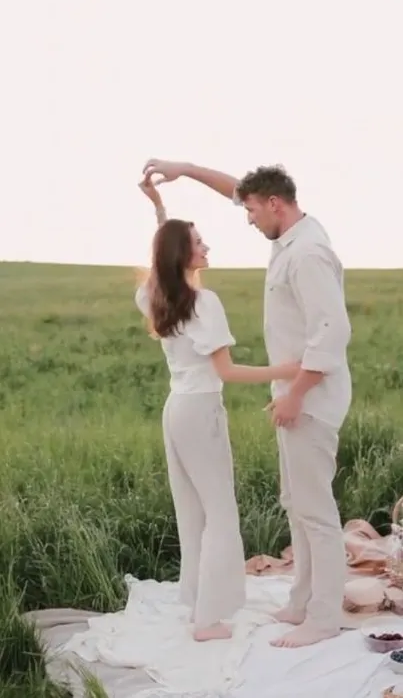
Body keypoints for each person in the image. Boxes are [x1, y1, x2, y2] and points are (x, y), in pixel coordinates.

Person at [141, 159, 352, 649]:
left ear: (275, 203)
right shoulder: (287, 236)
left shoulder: (309, 254)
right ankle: (302, 601)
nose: (246, 216)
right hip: (286, 395)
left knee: (315, 510)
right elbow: (235, 191)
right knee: (295, 503)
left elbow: (332, 333)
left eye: (252, 209)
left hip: (310, 398)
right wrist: (183, 171)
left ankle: (324, 616)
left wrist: (295, 392)